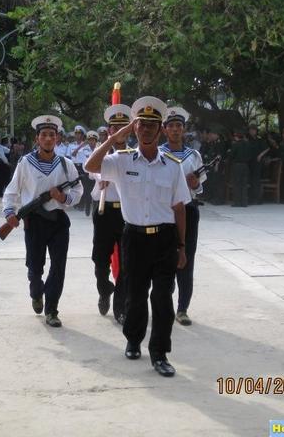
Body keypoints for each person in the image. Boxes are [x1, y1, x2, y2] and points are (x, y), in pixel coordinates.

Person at [85, 96, 189, 377]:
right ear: (135, 128)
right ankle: (133, 339)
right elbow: (91, 167)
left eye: (152, 125)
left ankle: (159, 354)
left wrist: (181, 246)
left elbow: (179, 209)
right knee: (136, 293)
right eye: (141, 125)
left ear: (161, 130)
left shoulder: (172, 165)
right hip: (135, 237)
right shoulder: (121, 160)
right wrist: (113, 138)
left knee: (164, 298)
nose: (146, 130)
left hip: (165, 238)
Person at [2, 115, 83, 328]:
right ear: (37, 138)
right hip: (34, 222)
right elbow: (12, 190)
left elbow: (78, 191)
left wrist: (62, 197)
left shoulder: (66, 165)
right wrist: (10, 212)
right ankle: (36, 293)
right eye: (44, 135)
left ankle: (52, 309)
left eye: (52, 135)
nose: (48, 139)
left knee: (58, 267)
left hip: (58, 222)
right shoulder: (26, 163)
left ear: (57, 139)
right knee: (35, 267)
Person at [159, 107, 205, 326]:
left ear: (184, 130)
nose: (175, 130)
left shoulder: (193, 155)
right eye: (171, 126)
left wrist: (194, 183)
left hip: (188, 209)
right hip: (164, 211)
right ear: (164, 130)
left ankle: (183, 308)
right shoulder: (158, 154)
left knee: (186, 256)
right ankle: (163, 304)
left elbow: (200, 185)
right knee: (164, 258)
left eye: (179, 126)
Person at [88, 104, 132, 325]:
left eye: (124, 127)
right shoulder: (101, 150)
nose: (120, 132)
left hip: (126, 213)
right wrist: (101, 176)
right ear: (109, 130)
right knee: (100, 259)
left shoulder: (135, 154)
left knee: (126, 262)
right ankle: (104, 289)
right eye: (116, 128)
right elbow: (93, 168)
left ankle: (121, 307)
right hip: (104, 211)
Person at [247, 124, 269, 205]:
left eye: (254, 130)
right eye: (251, 130)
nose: (252, 131)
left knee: (256, 181)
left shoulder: (259, 140)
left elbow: (267, 148)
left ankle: (258, 199)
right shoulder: (247, 139)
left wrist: (260, 155)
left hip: (257, 163)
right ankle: (251, 198)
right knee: (250, 181)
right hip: (249, 163)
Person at [228, 128, 250, 207]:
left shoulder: (236, 145)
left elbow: (231, 155)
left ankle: (237, 202)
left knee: (237, 184)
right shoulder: (247, 144)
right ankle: (244, 202)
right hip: (245, 165)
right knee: (244, 184)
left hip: (237, 166)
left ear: (236, 136)